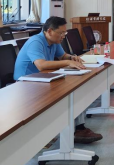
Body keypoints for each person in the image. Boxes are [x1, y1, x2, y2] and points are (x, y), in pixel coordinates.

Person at [14, 16, 103, 144]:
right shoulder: (36, 42)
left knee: (75, 89)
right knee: (68, 92)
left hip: (43, 78)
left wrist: (71, 58)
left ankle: (78, 128)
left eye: (64, 33)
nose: (63, 36)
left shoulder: (53, 41)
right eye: (61, 33)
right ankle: (72, 130)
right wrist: (67, 62)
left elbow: (62, 56)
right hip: (26, 83)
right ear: (49, 31)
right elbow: (41, 65)